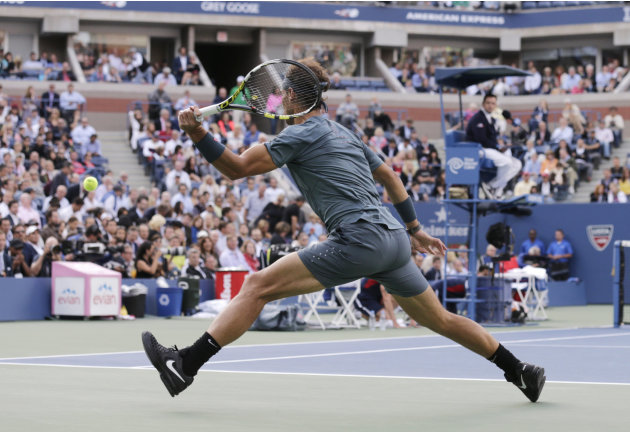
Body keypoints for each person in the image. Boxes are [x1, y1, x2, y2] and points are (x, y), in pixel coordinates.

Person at [141, 58, 545, 402]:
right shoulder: (342, 131)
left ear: (296, 97)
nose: (277, 97)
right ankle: (519, 371)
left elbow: (237, 168)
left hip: (361, 239)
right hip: (394, 239)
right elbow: (389, 174)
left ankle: (185, 365)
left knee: (257, 285)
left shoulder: (298, 133)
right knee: (440, 319)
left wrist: (197, 133)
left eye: (283, 91)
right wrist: (416, 229)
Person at [465, 94, 522, 199]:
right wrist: (497, 147)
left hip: (488, 149)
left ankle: (494, 188)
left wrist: (501, 146)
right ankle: (493, 188)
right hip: (478, 150)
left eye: (493, 103)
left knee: (517, 164)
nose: (490, 106)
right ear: (483, 104)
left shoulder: (491, 119)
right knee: (507, 162)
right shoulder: (477, 119)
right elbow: (481, 140)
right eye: (488, 103)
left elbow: (491, 139)